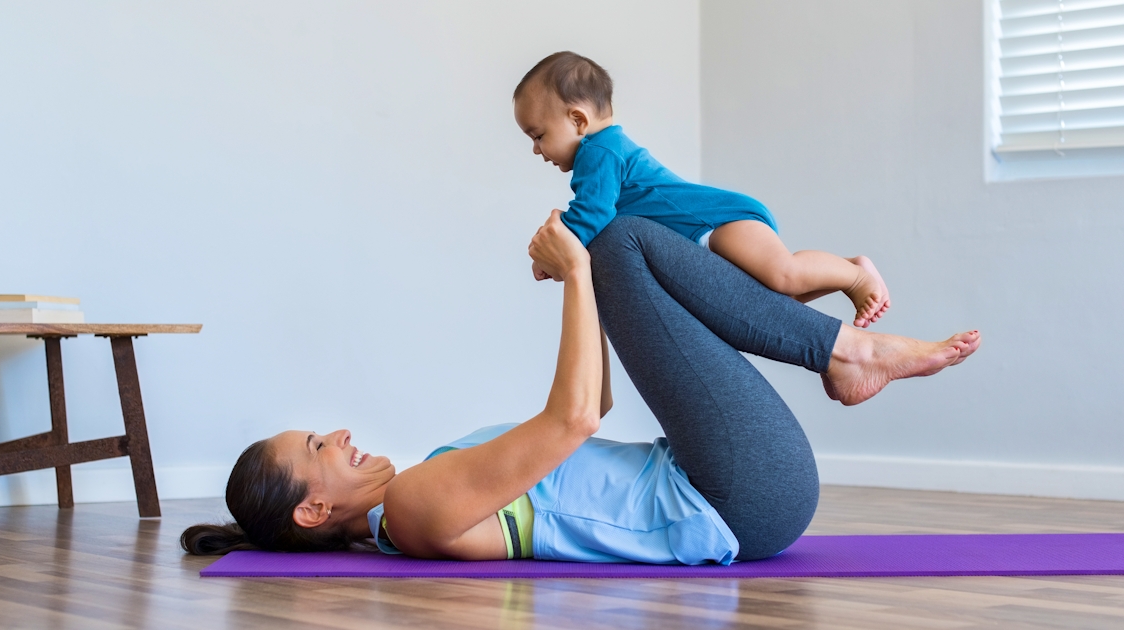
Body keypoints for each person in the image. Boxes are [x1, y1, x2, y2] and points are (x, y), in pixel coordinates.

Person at [182, 212, 979, 564]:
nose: (341, 435)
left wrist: (583, 281)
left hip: (729, 486)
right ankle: (846, 352)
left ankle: (842, 352)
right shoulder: (418, 506)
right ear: (313, 509)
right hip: (736, 500)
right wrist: (576, 274)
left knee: (625, 247)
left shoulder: (424, 485)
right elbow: (568, 423)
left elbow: (589, 409)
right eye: (321, 448)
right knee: (624, 242)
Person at [515, 51, 891, 328]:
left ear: (578, 120)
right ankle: (842, 299)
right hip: (708, 231)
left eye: (539, 135)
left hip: (718, 220)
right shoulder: (606, 149)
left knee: (784, 275)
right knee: (776, 300)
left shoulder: (597, 151)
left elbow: (592, 212)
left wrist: (552, 256)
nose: (536, 149)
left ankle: (855, 273)